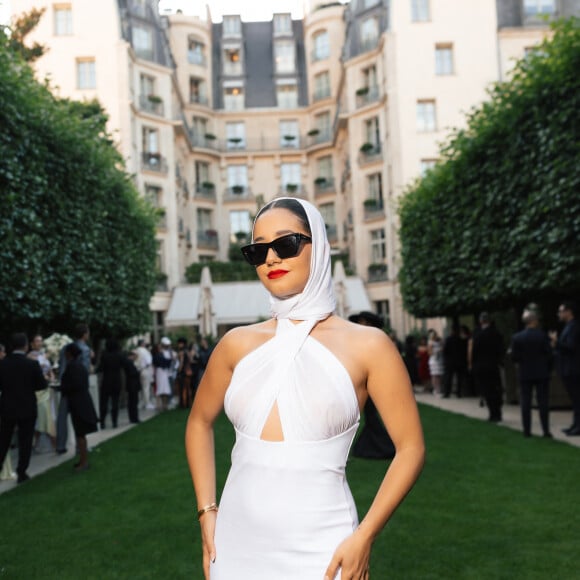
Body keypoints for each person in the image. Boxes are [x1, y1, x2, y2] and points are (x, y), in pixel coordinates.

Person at [185, 197, 425, 579]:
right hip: (234, 543)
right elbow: (198, 422)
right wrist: (206, 511)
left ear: (320, 245)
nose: (271, 258)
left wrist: (365, 536)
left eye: (286, 244)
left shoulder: (370, 345)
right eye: (258, 250)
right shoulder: (235, 344)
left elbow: (411, 448)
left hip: (326, 547)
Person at [0, 333, 47, 483]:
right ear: (26, 345)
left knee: (4, 440)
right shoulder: (31, 364)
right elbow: (41, 385)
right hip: (27, 407)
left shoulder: (3, 364)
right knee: (25, 441)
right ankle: (21, 471)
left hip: (7, 407)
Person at [349, 311, 396, 460]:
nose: (360, 325)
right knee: (365, 417)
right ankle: (369, 445)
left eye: (363, 322)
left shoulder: (376, 341)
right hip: (361, 382)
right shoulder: (359, 341)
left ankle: (383, 446)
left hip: (373, 383)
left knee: (370, 416)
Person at [510, 309, 553, 438]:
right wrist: (548, 369)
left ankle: (527, 430)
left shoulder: (517, 338)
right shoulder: (542, 336)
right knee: (543, 402)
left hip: (525, 372)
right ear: (535, 321)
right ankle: (545, 430)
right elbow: (549, 354)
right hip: (541, 372)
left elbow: (514, 357)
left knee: (526, 402)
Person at [60, 343, 98, 471]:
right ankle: (82, 459)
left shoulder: (72, 367)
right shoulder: (80, 366)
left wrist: (60, 388)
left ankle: (84, 462)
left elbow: (71, 385)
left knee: (80, 432)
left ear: (69, 353)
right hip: (82, 401)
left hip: (78, 403)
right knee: (80, 433)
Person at [56, 323, 91, 454]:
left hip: (65, 386)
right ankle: (80, 447)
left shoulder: (65, 348)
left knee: (62, 417)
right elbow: (85, 370)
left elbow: (61, 368)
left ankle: (60, 445)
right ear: (84, 334)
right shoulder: (85, 350)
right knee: (79, 418)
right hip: (77, 389)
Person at [551, 301, 580, 436]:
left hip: (573, 369)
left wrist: (557, 342)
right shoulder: (569, 326)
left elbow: (571, 347)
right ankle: (575, 424)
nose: (559, 314)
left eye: (561, 311)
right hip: (568, 368)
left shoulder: (574, 327)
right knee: (575, 399)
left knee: (577, 398)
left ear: (568, 312)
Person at [471, 312, 504, 422]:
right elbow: (500, 349)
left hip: (482, 366)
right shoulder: (496, 333)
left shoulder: (477, 334)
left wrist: (473, 365)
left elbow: (474, 351)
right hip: (493, 365)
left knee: (487, 390)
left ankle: (492, 413)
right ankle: (497, 412)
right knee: (495, 389)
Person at [28, 334, 56, 451]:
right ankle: (35, 443)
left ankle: (50, 444)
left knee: (50, 416)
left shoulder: (43, 354)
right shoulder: (29, 356)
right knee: (41, 418)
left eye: (41, 341)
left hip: (48, 389)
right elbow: (36, 370)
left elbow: (49, 369)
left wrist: (52, 377)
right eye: (37, 341)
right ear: (32, 344)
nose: (40, 343)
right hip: (38, 392)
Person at [97, 338, 126, 429]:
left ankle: (102, 422)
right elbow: (124, 365)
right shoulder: (119, 355)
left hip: (106, 381)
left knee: (104, 403)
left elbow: (101, 368)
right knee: (115, 403)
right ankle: (114, 422)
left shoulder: (104, 355)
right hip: (117, 380)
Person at [442, 325, 467, 398]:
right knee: (459, 378)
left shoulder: (448, 339)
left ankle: (447, 393)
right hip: (459, 361)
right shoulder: (461, 339)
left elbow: (445, 351)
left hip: (450, 362)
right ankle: (458, 393)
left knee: (448, 378)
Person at [153, 338, 173, 411]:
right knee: (161, 389)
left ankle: (164, 405)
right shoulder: (157, 355)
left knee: (164, 389)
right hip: (160, 372)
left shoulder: (162, 354)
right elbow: (164, 362)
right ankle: (160, 405)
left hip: (163, 372)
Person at [135, 339, 155, 410]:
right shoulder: (145, 351)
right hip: (145, 370)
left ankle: (141, 403)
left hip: (138, 371)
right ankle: (147, 403)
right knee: (146, 388)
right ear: (142, 344)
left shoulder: (136, 351)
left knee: (140, 389)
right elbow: (149, 362)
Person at [176, 337, 194, 408]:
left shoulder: (181, 352)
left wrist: (179, 370)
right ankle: (188, 403)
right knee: (188, 388)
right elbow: (190, 360)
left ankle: (183, 404)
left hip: (183, 372)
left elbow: (181, 362)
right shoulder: (187, 351)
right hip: (188, 372)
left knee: (182, 388)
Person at [124, 351, 142, 424]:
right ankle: (134, 418)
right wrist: (138, 372)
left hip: (132, 385)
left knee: (133, 402)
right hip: (132, 385)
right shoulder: (129, 363)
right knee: (133, 402)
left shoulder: (129, 362)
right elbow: (132, 373)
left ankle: (133, 417)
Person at [427, 329, 444, 396]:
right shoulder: (430, 342)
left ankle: (439, 388)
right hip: (434, 360)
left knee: (439, 375)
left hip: (439, 360)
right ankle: (435, 389)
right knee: (434, 375)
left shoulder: (439, 341)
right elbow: (430, 353)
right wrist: (438, 351)